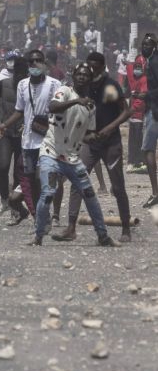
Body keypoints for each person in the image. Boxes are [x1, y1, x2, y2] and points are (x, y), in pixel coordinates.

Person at [27, 64, 116, 247]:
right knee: (48, 193)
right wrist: (76, 101)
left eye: (86, 75)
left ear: (90, 80)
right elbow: (53, 107)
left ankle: (102, 235)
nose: (82, 77)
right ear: (74, 76)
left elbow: (85, 134)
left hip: (72, 158)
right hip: (51, 153)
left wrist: (96, 137)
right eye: (79, 74)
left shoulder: (90, 106)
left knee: (89, 194)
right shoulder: (64, 91)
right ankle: (38, 236)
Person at [56, 51, 132, 243]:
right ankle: (71, 227)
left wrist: (109, 128)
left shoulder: (110, 87)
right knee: (77, 182)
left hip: (111, 142)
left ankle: (125, 228)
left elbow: (125, 111)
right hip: (90, 142)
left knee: (118, 185)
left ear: (102, 67)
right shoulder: (86, 88)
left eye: (95, 68)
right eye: (89, 67)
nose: (91, 71)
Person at [0, 49, 62, 221]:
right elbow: (19, 110)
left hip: (48, 139)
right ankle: (39, 217)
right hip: (28, 142)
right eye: (31, 61)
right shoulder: (22, 85)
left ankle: (50, 214)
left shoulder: (55, 84)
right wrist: (4, 125)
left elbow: (62, 109)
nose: (35, 64)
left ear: (44, 63)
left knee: (44, 179)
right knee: (32, 182)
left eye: (38, 60)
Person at [0, 56, 33, 221]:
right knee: (3, 166)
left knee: (18, 172)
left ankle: (15, 206)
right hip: (6, 131)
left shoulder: (31, 87)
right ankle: (5, 201)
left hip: (24, 133)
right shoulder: (4, 84)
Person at [140, 33, 158, 208]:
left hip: (155, 112)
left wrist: (145, 95)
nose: (145, 47)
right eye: (143, 44)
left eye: (148, 45)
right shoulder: (150, 61)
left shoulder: (154, 62)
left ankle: (155, 193)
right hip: (152, 109)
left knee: (148, 149)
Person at [127, 55, 148, 173]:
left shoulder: (142, 79)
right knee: (136, 141)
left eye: (140, 66)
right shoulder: (139, 77)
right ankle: (135, 162)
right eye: (136, 66)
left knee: (137, 140)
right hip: (136, 114)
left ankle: (135, 162)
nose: (137, 68)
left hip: (138, 115)